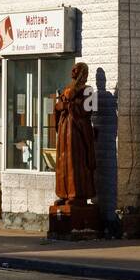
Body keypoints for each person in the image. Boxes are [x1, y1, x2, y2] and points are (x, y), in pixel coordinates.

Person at [53, 62, 97, 206]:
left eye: (76, 69)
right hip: (65, 127)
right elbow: (59, 105)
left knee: (75, 161)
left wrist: (69, 105)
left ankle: (77, 194)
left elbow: (88, 111)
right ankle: (63, 193)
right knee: (62, 161)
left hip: (77, 130)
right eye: (72, 69)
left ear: (83, 73)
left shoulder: (88, 90)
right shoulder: (67, 88)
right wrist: (59, 106)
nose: (72, 71)